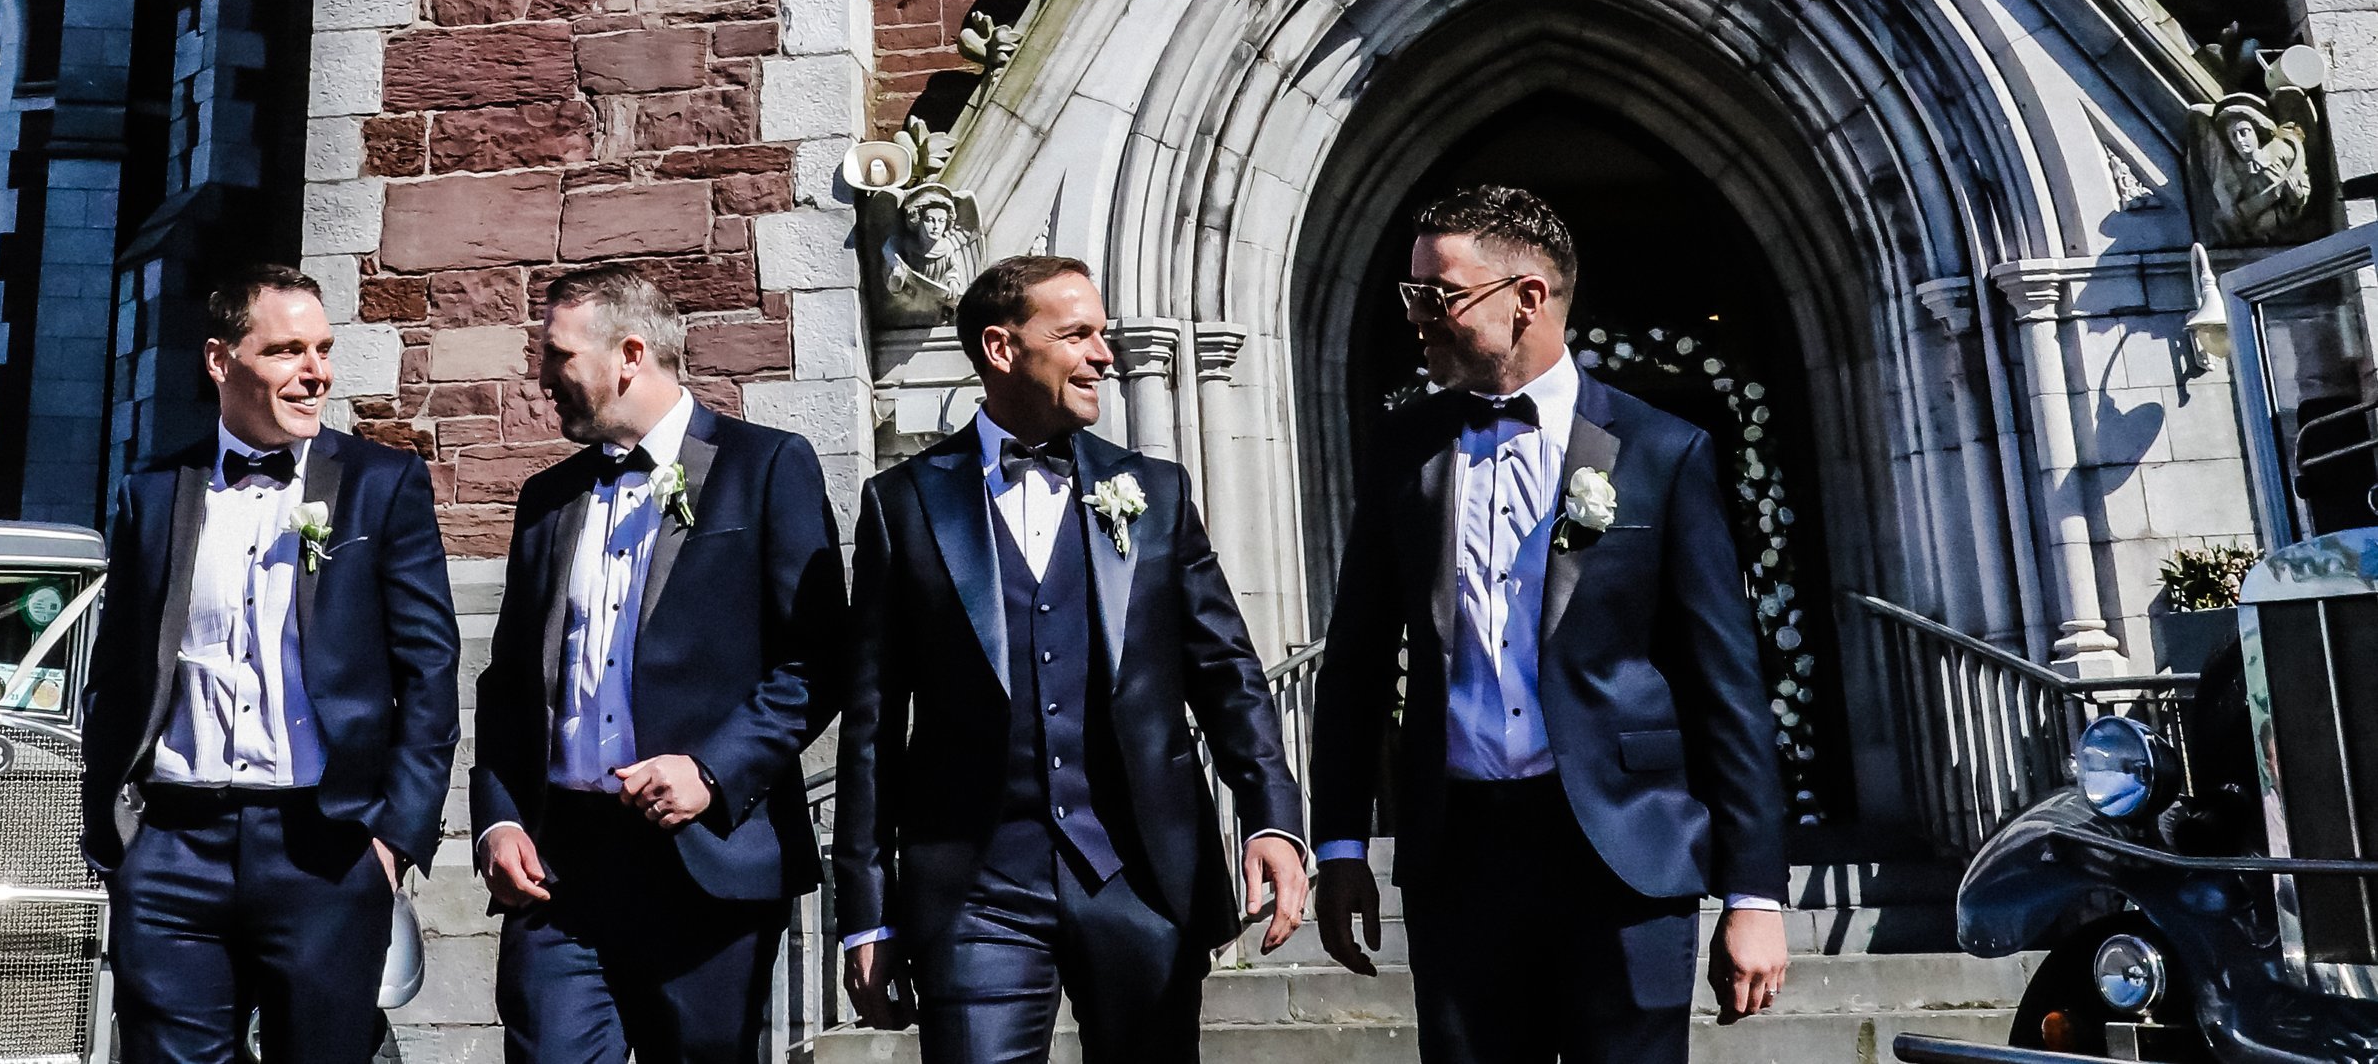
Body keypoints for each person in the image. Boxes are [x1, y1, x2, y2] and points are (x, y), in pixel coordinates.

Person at [1312, 183, 1790, 1064]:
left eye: (1439, 294)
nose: (1416, 316)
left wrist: (1754, 893)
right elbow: (1356, 658)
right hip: (1461, 855)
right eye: (1411, 294)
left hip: (1628, 850)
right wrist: (1338, 841)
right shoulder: (1403, 448)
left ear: (1527, 297)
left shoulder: (1663, 449)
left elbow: (1727, 681)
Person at [834, 253, 1311, 1064]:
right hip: (977, 889)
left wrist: (1272, 814)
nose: (1105, 355)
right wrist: (868, 911)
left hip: (1137, 873)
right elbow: (872, 724)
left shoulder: (1153, 492)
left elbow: (1226, 672)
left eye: (1104, 334)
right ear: (1001, 347)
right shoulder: (904, 503)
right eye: (1079, 334)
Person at [81, 263, 461, 1064]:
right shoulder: (153, 491)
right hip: (175, 845)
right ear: (222, 361)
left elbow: (429, 670)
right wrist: (116, 839)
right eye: (288, 350)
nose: (315, 371)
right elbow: (118, 673)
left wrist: (393, 839)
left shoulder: (381, 484)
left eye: (322, 348)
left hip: (324, 847)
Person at [471, 263, 848, 1064]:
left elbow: (817, 660)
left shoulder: (768, 466)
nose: (540, 380)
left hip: (706, 863)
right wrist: (499, 820)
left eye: (557, 357)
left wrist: (711, 770)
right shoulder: (546, 499)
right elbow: (509, 685)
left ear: (629, 354)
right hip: (561, 869)